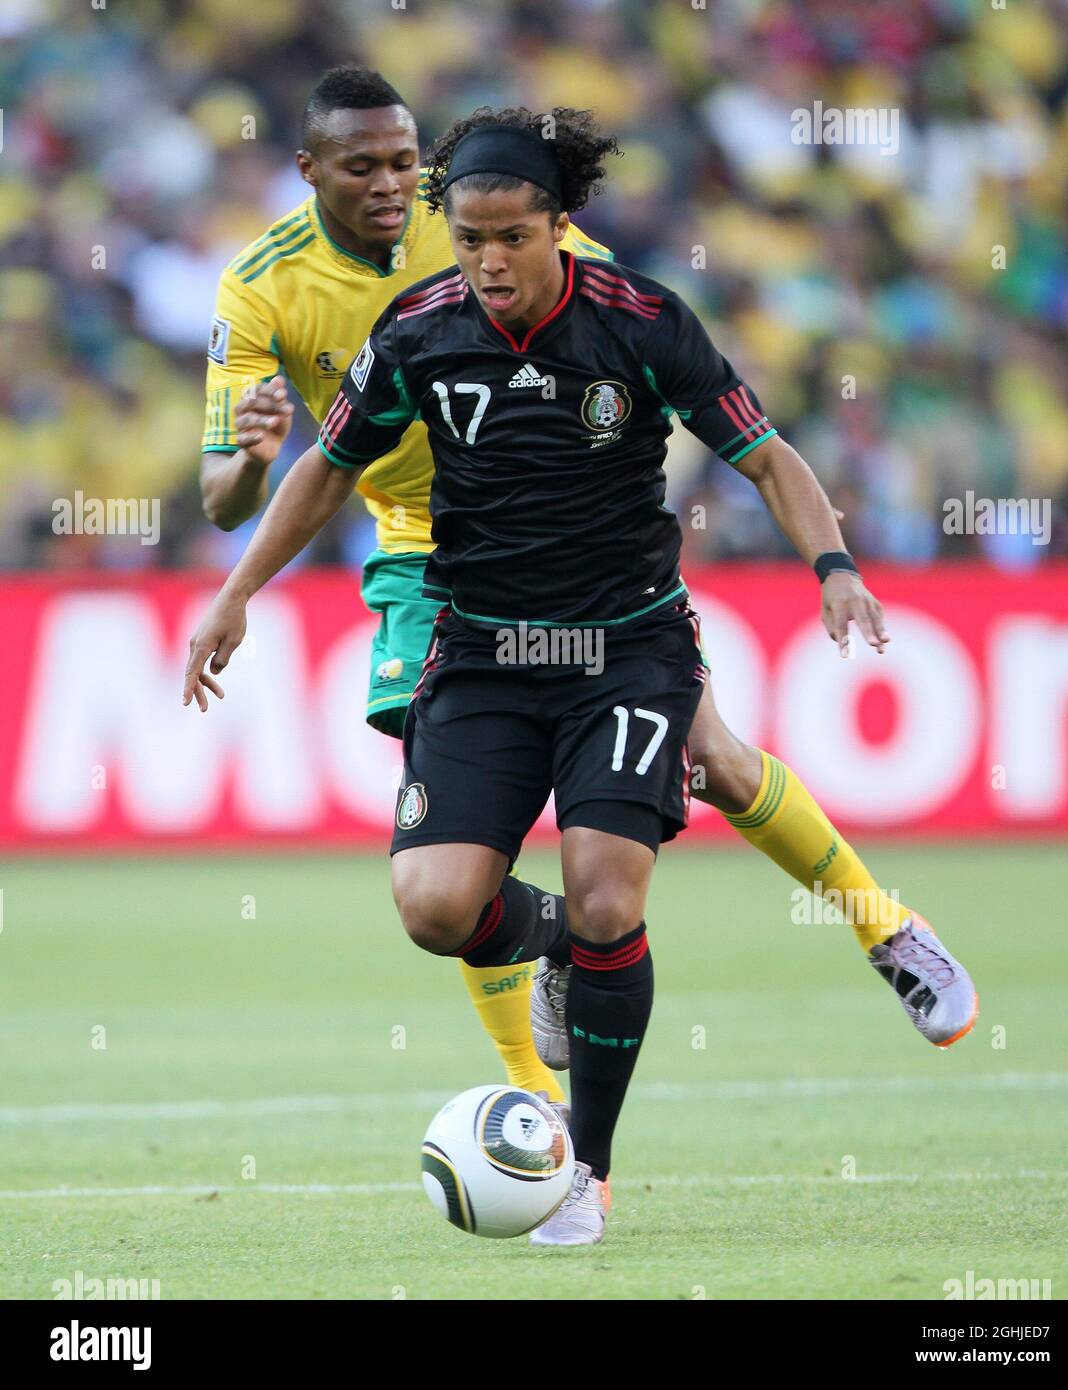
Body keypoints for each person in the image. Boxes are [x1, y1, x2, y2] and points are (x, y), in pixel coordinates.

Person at [184, 107, 977, 1246]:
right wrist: (235, 590)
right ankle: (565, 950)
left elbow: (767, 453)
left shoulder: (639, 321)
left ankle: (586, 1167)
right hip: (483, 645)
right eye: (467, 238)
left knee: (622, 878)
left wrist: (834, 566)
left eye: (511, 236)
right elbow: (323, 469)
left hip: (623, 647)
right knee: (436, 906)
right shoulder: (415, 328)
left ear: (561, 227)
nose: (489, 261)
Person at [201, 67, 614, 1109]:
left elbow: (614, 309)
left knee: (715, 764)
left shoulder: (475, 214)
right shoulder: (260, 286)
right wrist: (251, 459)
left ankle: (880, 924)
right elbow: (219, 498)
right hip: (422, 550)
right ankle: (540, 1080)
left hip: (560, 535)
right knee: (447, 857)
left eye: (404, 161)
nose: (393, 184)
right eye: (362, 167)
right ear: (307, 171)